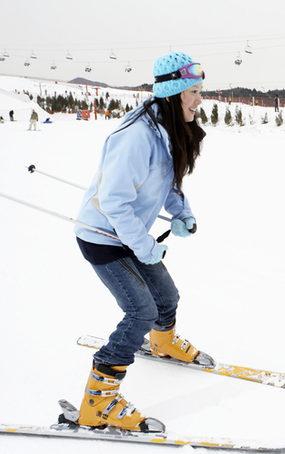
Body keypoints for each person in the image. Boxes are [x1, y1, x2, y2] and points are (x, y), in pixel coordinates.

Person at [73, 52, 207, 432]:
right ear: (172, 93)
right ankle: (97, 402)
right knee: (141, 312)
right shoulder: (137, 136)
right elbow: (115, 201)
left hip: (130, 234)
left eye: (199, 91)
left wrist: (181, 212)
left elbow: (165, 181)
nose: (199, 100)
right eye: (193, 92)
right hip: (103, 238)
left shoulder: (166, 127)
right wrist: (146, 246)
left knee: (167, 297)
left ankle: (162, 342)